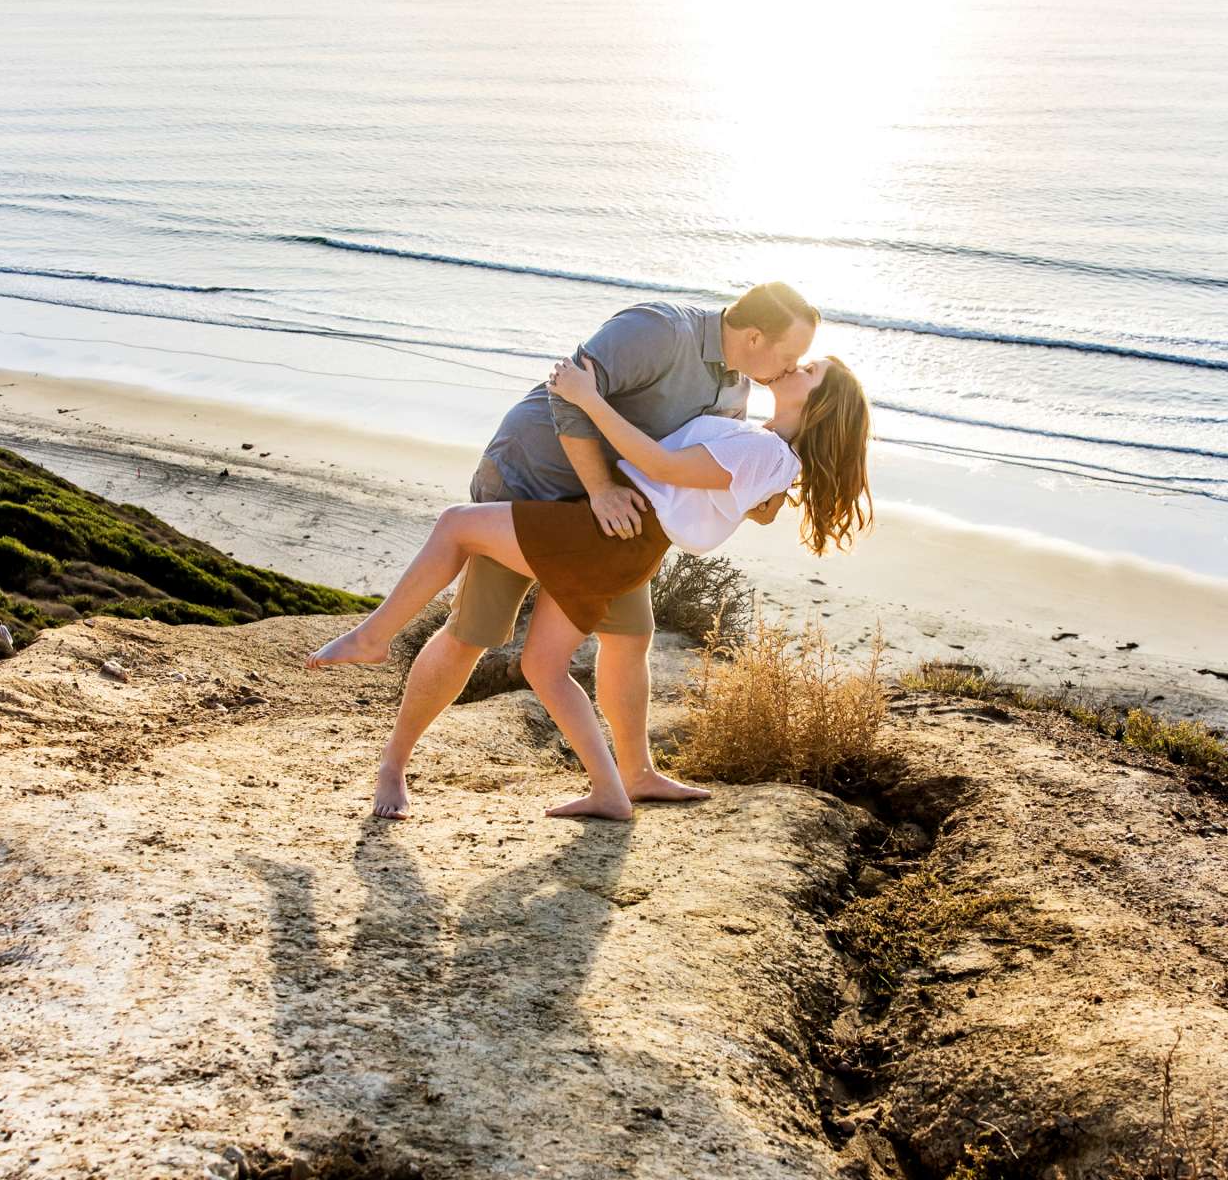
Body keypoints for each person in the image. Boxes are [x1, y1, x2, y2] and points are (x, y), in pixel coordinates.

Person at [312, 297, 873, 822]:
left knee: (608, 630)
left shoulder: (743, 398)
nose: (791, 366)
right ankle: (401, 765)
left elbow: (686, 470)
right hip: (540, 488)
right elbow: (573, 398)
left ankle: (630, 776)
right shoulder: (658, 333)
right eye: (793, 356)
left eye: (804, 367)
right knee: (488, 639)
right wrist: (613, 481)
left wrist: (747, 488)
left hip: (615, 529)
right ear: (755, 336)